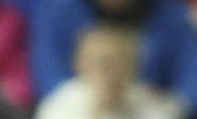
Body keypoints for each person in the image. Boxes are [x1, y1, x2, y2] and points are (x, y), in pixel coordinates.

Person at [35, 22, 187, 119]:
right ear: (80, 64)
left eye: (122, 62)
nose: (112, 73)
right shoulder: (58, 107)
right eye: (103, 63)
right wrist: (97, 110)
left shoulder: (148, 102)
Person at [29, 0, 197, 110]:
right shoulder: (60, 11)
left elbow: (190, 85)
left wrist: (163, 110)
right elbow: (50, 81)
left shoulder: (171, 15)